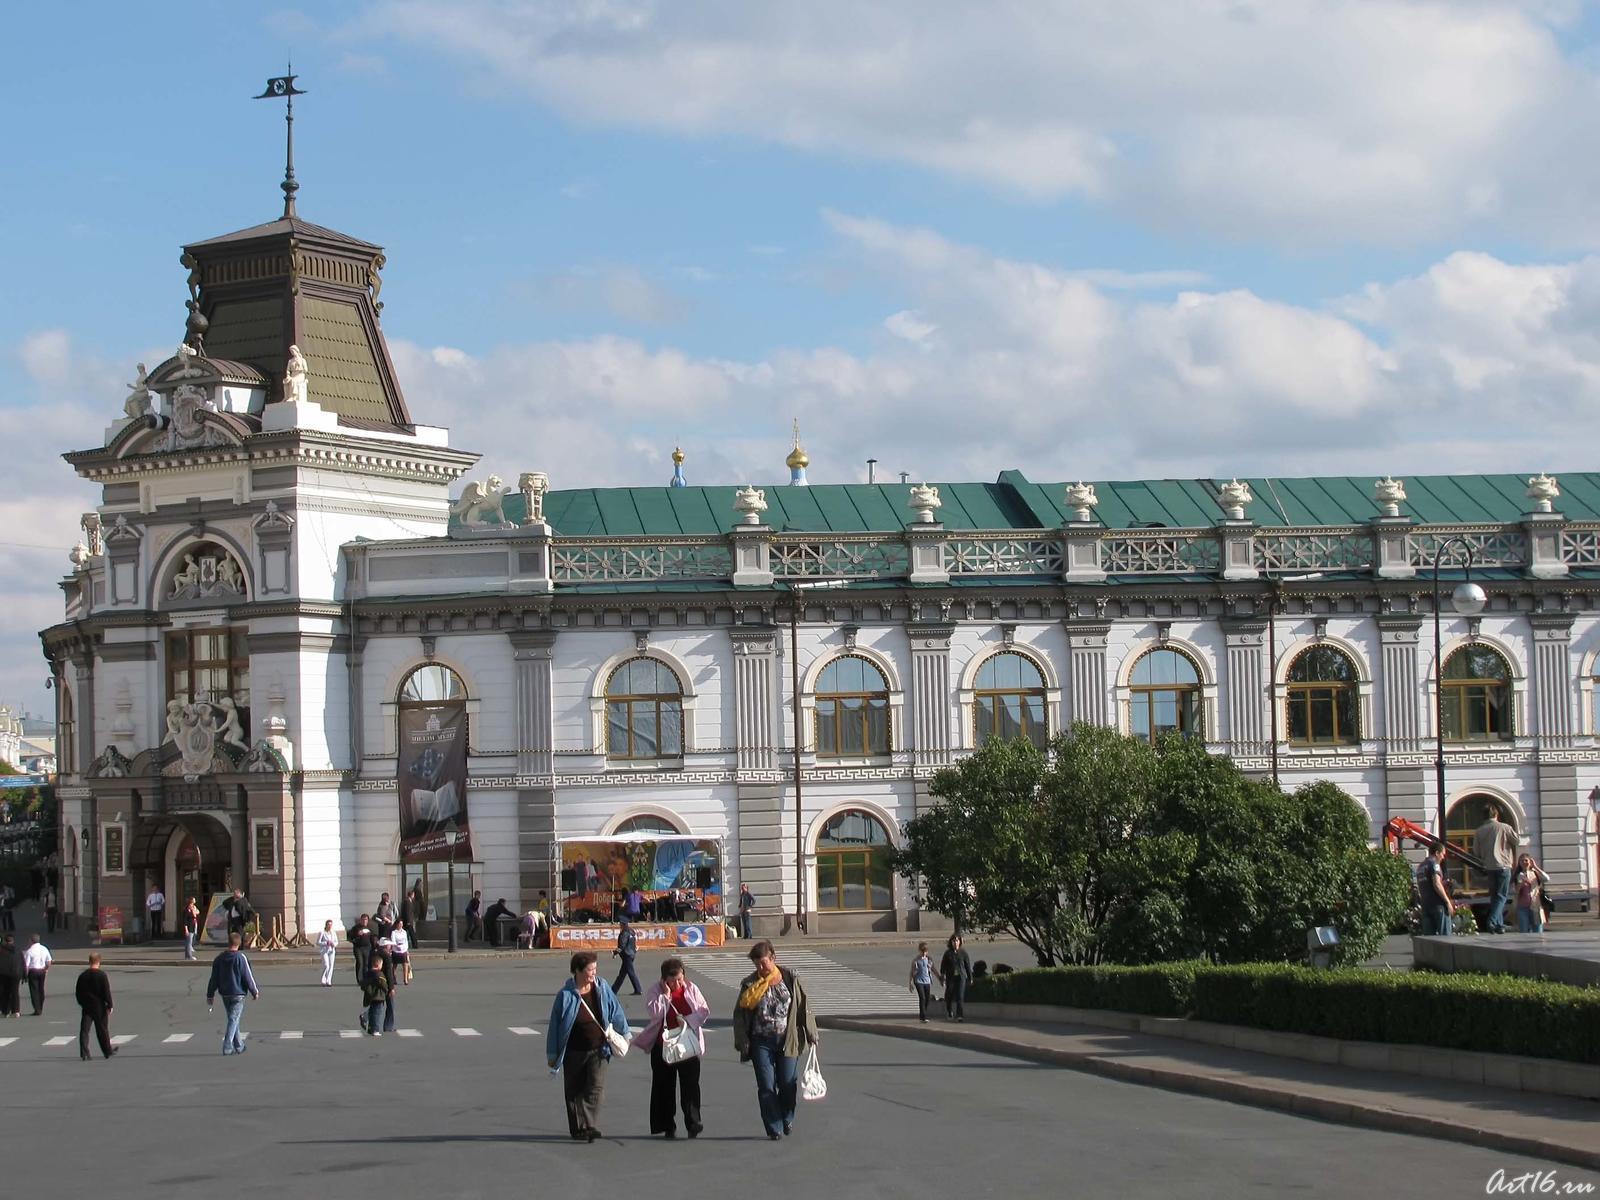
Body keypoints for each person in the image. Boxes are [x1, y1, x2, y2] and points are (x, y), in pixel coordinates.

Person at [732, 940, 818, 1141]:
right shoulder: (750, 984)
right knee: (766, 1085)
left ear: (773, 958)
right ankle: (774, 1126)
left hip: (788, 1039)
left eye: (763, 963)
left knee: (788, 1083)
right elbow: (739, 1014)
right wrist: (742, 1040)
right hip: (761, 1041)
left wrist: (811, 1032)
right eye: (757, 965)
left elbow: (803, 1005)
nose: (761, 969)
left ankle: (787, 1117)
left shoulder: (789, 978)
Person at [546, 950, 631, 1142]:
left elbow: (615, 1010)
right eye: (590, 969)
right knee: (574, 1090)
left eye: (595, 969)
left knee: (595, 1087)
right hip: (574, 1051)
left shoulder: (602, 987)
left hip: (599, 1048)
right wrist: (552, 1054)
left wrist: (625, 1033)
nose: (594, 973)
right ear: (577, 971)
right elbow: (554, 1027)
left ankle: (589, 1125)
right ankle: (578, 1128)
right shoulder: (565, 996)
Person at [632, 956, 708, 1138]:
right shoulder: (655, 991)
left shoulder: (691, 988)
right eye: (672, 981)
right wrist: (666, 996)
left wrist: (688, 1021)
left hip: (687, 1044)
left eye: (680, 979)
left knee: (690, 1085)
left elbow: (704, 1011)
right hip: (664, 1045)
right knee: (664, 1086)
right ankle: (667, 1125)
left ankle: (693, 1122)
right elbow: (654, 1013)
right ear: (664, 979)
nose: (677, 984)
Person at [205, 931, 260, 1056]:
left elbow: (214, 979)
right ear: (239, 944)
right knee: (234, 1019)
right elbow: (247, 976)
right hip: (238, 993)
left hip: (225, 993)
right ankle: (227, 1046)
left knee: (233, 1019)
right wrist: (254, 991)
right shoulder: (240, 958)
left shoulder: (219, 959)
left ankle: (239, 1046)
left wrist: (210, 994)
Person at [1473, 804, 1520, 934]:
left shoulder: (1479, 831)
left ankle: (1499, 925)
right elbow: (1517, 841)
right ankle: (1492, 921)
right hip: (1503, 865)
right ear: (1496, 814)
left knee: (1495, 896)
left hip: (1489, 867)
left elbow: (1476, 851)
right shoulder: (1504, 827)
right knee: (1502, 896)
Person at [74, 952, 116, 1061]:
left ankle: (84, 1052)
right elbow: (106, 991)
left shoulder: (83, 976)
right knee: (102, 1029)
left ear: (89, 961)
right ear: (99, 961)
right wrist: (110, 1005)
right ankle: (107, 1051)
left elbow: (78, 992)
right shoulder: (102, 975)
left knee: (84, 1030)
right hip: (99, 1006)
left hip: (87, 1006)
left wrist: (82, 1003)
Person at [1417, 840, 1454, 936]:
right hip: (1438, 905)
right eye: (1443, 854)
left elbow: (1424, 884)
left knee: (1430, 939)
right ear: (1437, 853)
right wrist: (1447, 902)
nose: (1443, 857)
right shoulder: (1435, 864)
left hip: (1426, 905)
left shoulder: (1421, 866)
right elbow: (1436, 884)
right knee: (1445, 938)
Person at [1512, 853, 1551, 934]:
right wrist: (1521, 884)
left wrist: (1535, 867)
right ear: (1519, 863)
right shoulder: (1518, 875)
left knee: (1538, 932)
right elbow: (1514, 891)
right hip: (1522, 907)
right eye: (1521, 861)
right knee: (1524, 932)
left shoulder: (1535, 873)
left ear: (1530, 862)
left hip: (1536, 906)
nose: (1524, 862)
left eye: (1526, 860)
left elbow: (1547, 878)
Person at [940, 934, 973, 1021]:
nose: (955, 942)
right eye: (954, 941)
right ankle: (949, 1011)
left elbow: (967, 966)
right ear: (951, 942)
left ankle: (959, 1015)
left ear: (960, 942)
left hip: (961, 977)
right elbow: (943, 966)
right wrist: (942, 976)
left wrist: (970, 978)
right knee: (949, 995)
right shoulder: (948, 953)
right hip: (951, 977)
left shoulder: (963, 953)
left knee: (960, 996)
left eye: (957, 941)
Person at [360, 954, 391, 1037]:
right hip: (378, 996)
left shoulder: (368, 974)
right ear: (378, 965)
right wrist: (387, 990)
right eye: (381, 965)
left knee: (373, 1011)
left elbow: (363, 984)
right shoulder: (379, 974)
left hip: (371, 996)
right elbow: (383, 984)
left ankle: (370, 1025)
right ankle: (375, 1029)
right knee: (377, 1013)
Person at [612, 918, 642, 995]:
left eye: (620, 923)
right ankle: (614, 990)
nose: (619, 925)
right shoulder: (631, 931)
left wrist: (615, 952)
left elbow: (622, 945)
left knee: (630, 972)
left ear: (622, 924)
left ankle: (638, 989)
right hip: (632, 953)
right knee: (622, 974)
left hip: (627, 955)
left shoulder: (624, 933)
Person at [22, 933, 51, 1015]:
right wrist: (46, 969)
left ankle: (37, 1009)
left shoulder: (29, 951)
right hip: (42, 971)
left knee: (34, 990)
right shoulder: (44, 949)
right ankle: (40, 1006)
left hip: (33, 971)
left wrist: (25, 975)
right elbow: (49, 961)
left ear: (31, 941)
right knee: (41, 989)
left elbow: (26, 965)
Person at [909, 942, 938, 1023]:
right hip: (918, 981)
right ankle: (923, 1017)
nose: (924, 953)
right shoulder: (916, 960)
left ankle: (923, 1013)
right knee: (922, 998)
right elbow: (912, 972)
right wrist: (910, 983)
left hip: (927, 981)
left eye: (925, 951)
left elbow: (934, 969)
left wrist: (939, 978)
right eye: (922, 951)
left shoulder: (929, 960)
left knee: (927, 999)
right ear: (919, 950)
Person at [0, 934, 21, 1018]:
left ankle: (5, 1011)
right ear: (13, 941)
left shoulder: (1, 950)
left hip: (3, 973)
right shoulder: (18, 950)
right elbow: (22, 962)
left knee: (4, 992)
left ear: (5, 941)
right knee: (15, 992)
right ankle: (16, 1011)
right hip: (15, 973)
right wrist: (23, 974)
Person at [350, 914, 375, 982]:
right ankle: (359, 979)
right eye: (363, 919)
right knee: (360, 962)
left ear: (368, 920)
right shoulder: (356, 928)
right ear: (360, 920)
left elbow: (372, 938)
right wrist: (357, 934)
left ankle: (365, 978)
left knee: (366, 963)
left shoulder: (369, 928)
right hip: (358, 948)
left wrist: (374, 947)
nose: (364, 921)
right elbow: (350, 937)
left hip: (367, 947)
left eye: (366, 919)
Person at [316, 919, 339, 986]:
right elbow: (318, 942)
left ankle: (328, 981)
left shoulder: (333, 932)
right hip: (324, 951)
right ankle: (323, 980)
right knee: (326, 965)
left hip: (331, 950)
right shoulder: (322, 932)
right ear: (326, 925)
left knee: (331, 966)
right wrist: (326, 943)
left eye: (331, 925)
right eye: (328, 925)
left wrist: (334, 944)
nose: (330, 926)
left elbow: (336, 941)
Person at [390, 920, 412, 984]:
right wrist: (397, 946)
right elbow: (393, 941)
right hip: (396, 950)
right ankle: (394, 978)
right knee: (394, 965)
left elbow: (406, 941)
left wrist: (406, 949)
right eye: (399, 924)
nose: (401, 925)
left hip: (403, 950)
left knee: (405, 964)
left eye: (401, 924)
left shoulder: (404, 932)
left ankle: (405, 979)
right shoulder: (394, 932)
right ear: (397, 924)